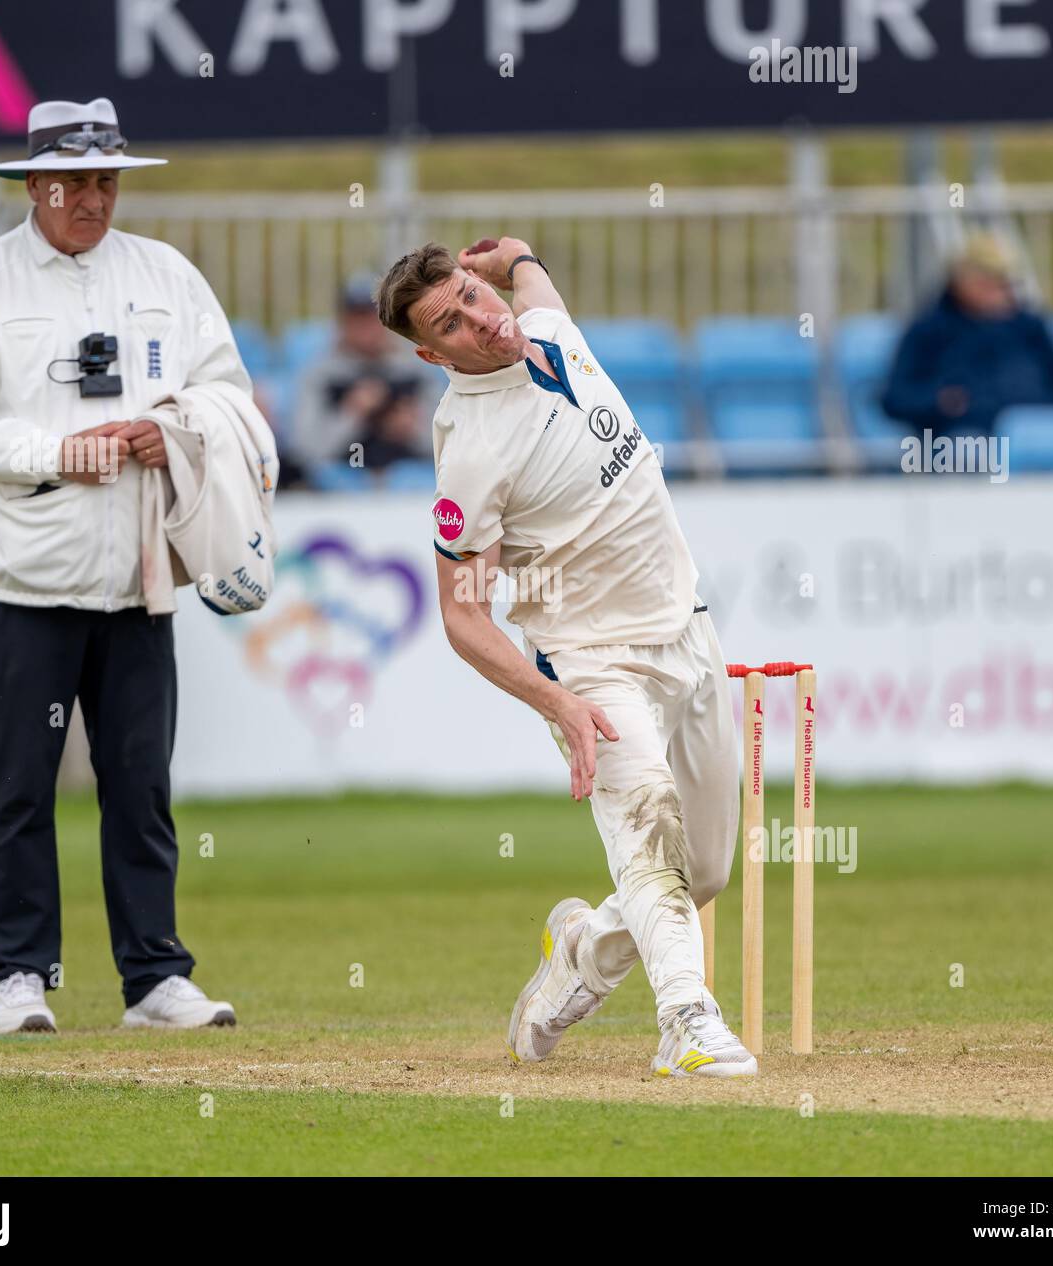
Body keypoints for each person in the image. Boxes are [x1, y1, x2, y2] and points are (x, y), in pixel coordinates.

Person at [376, 238, 753, 1078]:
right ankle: (688, 1025)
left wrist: (518, 256)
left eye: (473, 293)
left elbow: (528, 279)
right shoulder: (470, 448)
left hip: (688, 634)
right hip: (590, 660)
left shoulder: (542, 325)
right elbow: (462, 618)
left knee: (707, 871)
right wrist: (559, 705)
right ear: (429, 354)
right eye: (452, 323)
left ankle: (577, 957)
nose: (482, 319)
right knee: (650, 831)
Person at [0, 97, 244, 1035]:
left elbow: (228, 392)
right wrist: (55, 452)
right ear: (34, 185)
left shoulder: (165, 274)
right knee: (17, 788)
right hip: (22, 577)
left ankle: (154, 979)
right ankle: (18, 974)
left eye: (107, 180)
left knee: (140, 783)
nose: (94, 199)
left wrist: (166, 428)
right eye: (76, 182)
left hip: (137, 575)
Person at [881, 232, 1053, 436]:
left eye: (1002, 282)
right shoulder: (929, 329)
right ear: (960, 283)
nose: (997, 290)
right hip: (965, 438)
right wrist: (942, 402)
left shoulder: (1031, 327)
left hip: (1036, 433)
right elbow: (896, 399)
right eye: (986, 281)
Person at [291, 274, 438, 478]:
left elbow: (449, 446)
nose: (366, 328)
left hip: (409, 495)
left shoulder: (415, 370)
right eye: (356, 318)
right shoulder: (320, 375)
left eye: (373, 317)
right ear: (342, 322)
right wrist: (352, 414)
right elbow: (305, 451)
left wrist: (411, 429)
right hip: (340, 495)